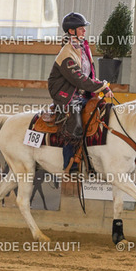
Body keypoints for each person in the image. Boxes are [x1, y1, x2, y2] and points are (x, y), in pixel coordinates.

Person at [48, 12, 112, 171]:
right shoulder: (67, 53)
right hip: (65, 94)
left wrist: (100, 88)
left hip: (81, 93)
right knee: (75, 124)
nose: (84, 30)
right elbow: (79, 79)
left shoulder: (83, 48)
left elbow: (89, 75)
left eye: (84, 28)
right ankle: (70, 165)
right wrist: (102, 86)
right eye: (81, 28)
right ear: (71, 31)